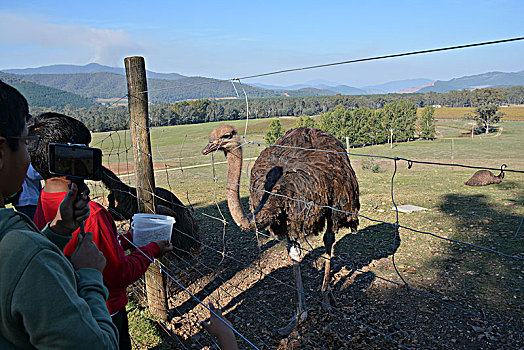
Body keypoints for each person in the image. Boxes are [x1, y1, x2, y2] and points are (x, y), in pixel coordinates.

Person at [30, 112, 173, 350]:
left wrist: (128, 240)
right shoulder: (92, 213)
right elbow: (119, 275)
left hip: (71, 307)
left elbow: (93, 247)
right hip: (104, 312)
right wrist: (151, 249)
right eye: (84, 151)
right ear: (69, 157)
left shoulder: (44, 200)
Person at [0, 80, 118, 348]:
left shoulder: (19, 243)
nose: (30, 158)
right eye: (26, 142)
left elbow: (14, 276)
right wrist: (89, 275)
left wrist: (57, 232)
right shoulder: (24, 250)